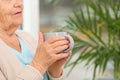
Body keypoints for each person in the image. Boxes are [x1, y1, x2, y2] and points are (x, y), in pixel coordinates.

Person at [0, 0, 71, 80]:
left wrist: (54, 71)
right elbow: (38, 67)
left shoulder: (27, 37)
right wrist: (38, 65)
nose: (19, 3)